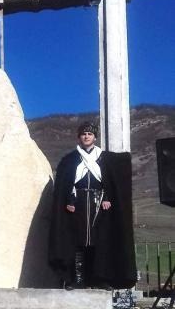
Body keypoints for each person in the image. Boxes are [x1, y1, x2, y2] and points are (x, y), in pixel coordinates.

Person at [49, 122, 137, 290]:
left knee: (98, 241)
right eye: (83, 134)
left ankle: (98, 279)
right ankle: (76, 279)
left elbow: (110, 182)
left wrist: (108, 198)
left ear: (95, 137)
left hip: (99, 204)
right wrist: (69, 201)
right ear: (79, 137)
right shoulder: (70, 160)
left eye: (90, 134)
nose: (87, 136)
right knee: (78, 242)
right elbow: (65, 184)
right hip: (78, 204)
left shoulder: (104, 158)